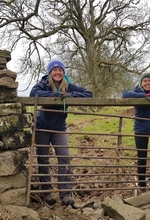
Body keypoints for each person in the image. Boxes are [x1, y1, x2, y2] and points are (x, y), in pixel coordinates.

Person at [29, 59, 93, 206]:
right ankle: (48, 193)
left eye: (60, 70)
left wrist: (68, 96)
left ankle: (65, 194)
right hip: (42, 127)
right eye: (54, 70)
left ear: (63, 72)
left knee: (64, 158)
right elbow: (34, 93)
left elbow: (88, 94)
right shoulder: (43, 84)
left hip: (59, 128)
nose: (57, 72)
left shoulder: (68, 86)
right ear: (50, 72)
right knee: (43, 159)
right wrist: (56, 96)